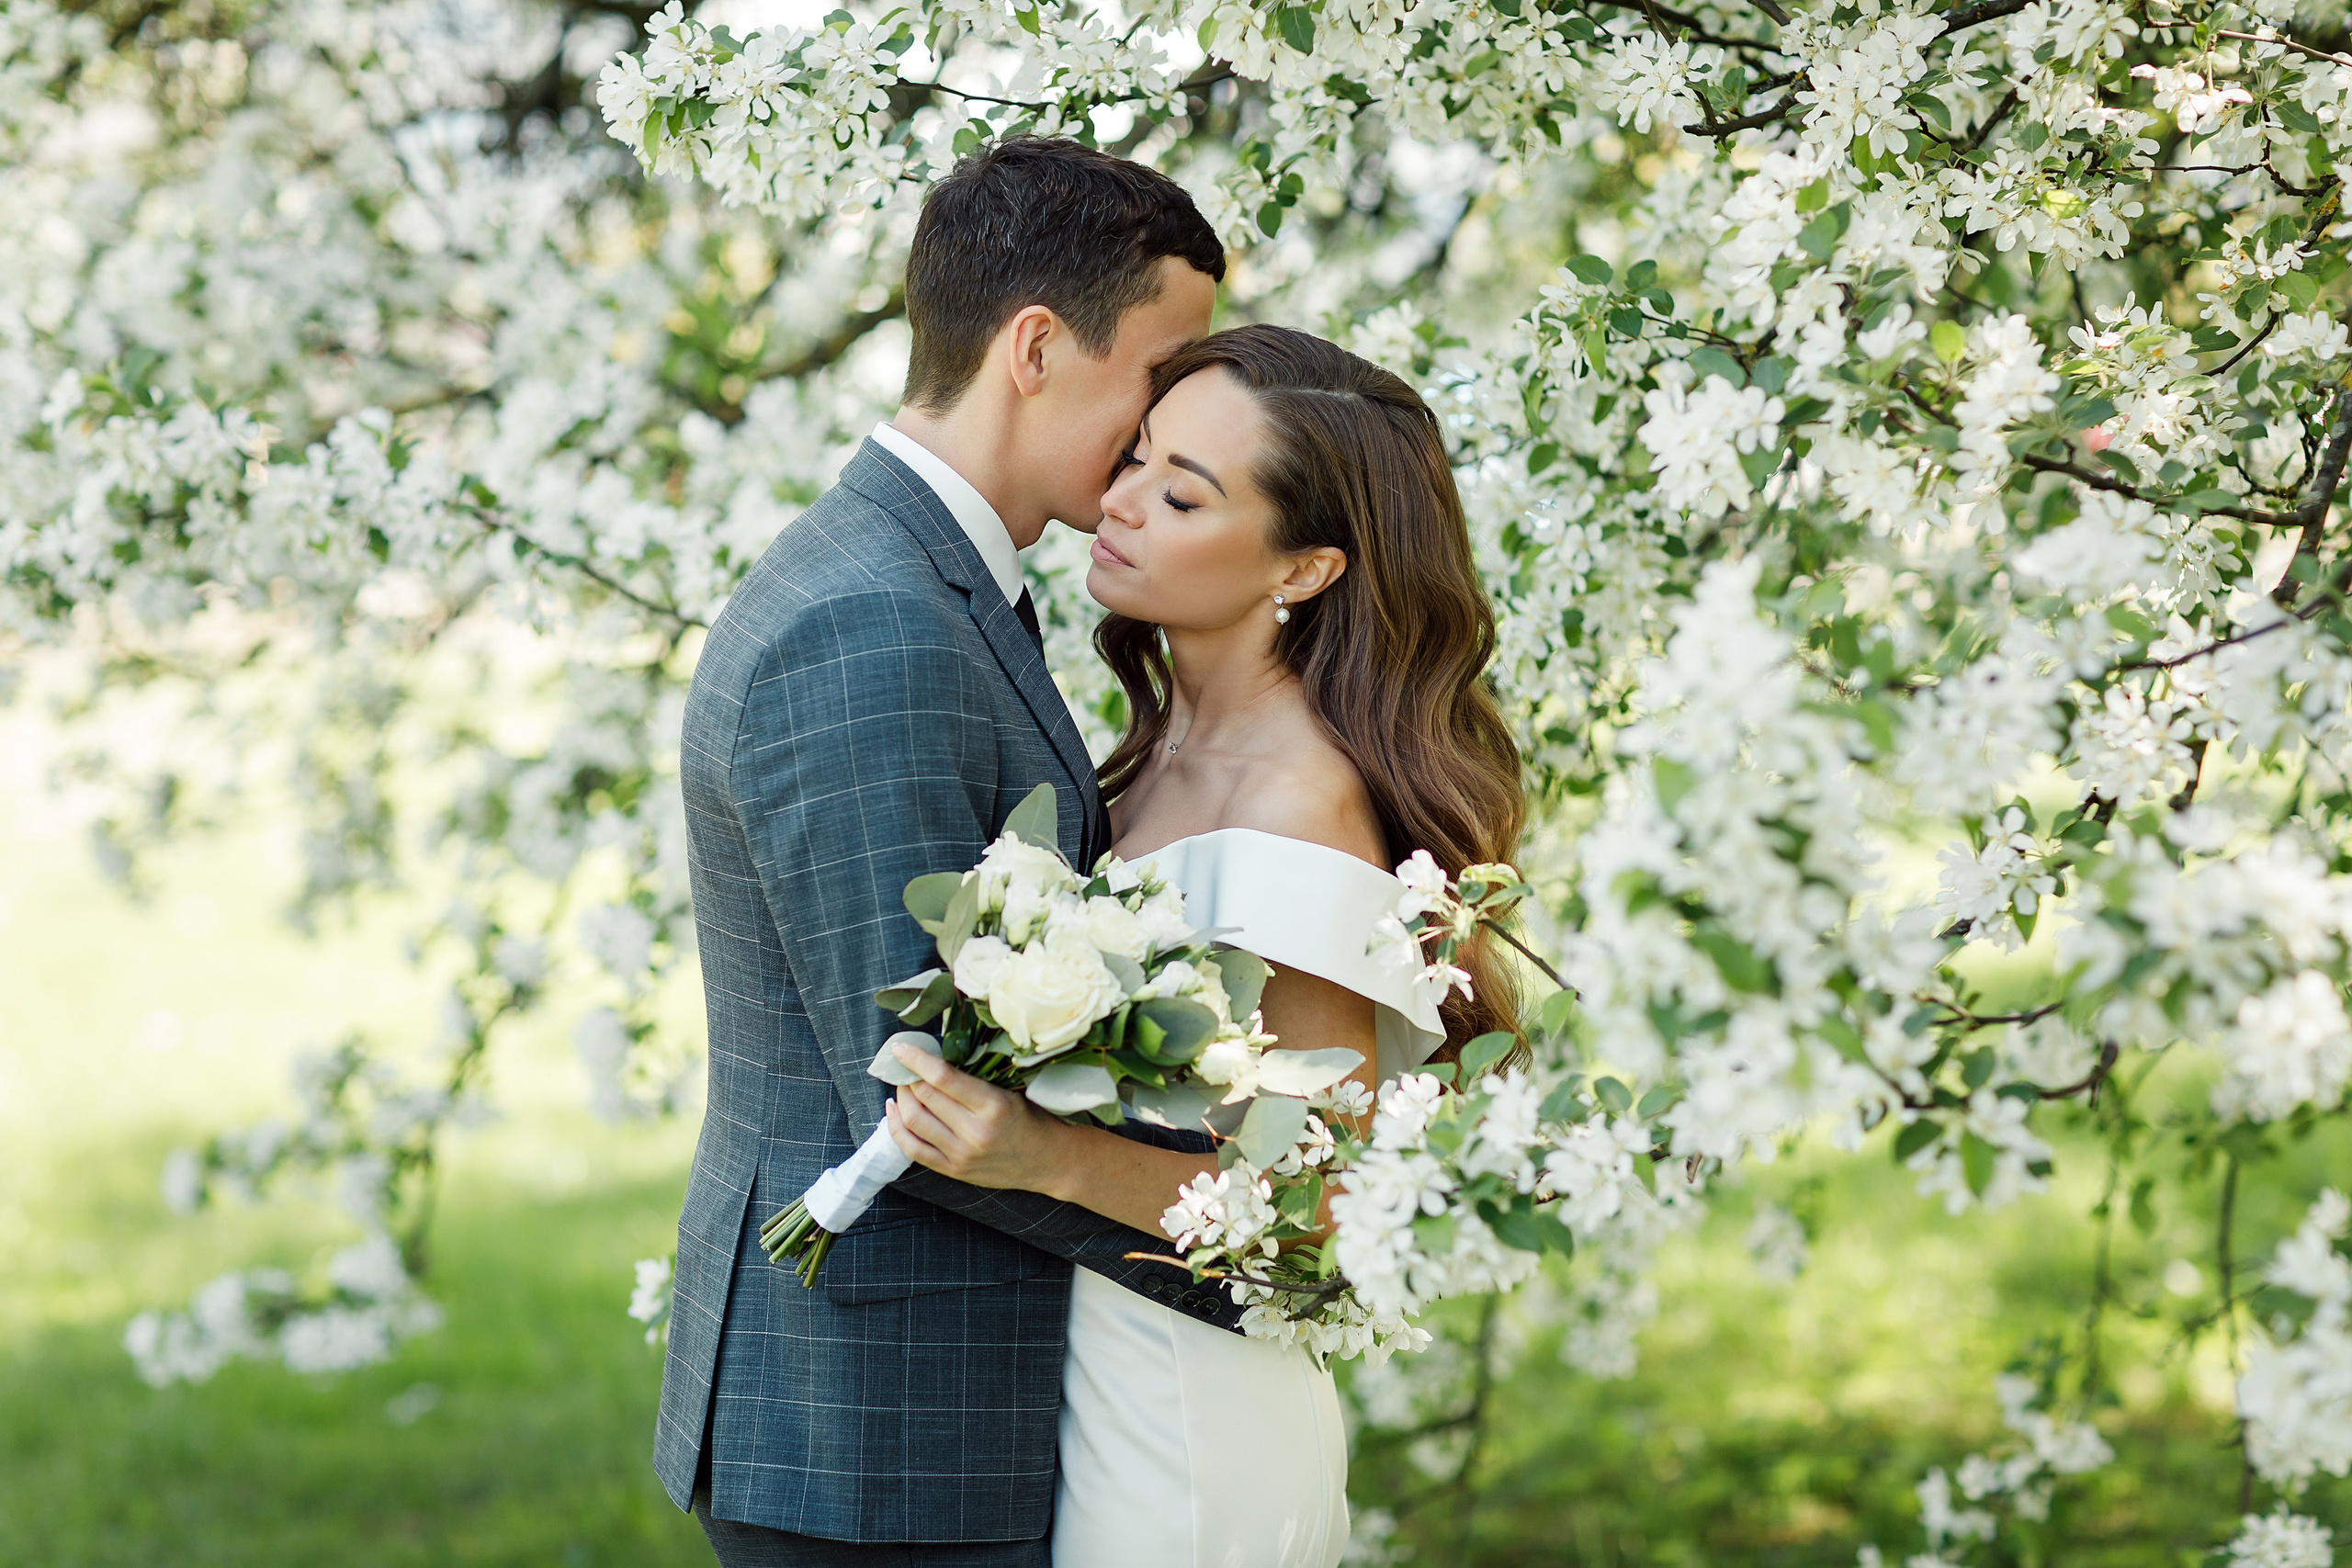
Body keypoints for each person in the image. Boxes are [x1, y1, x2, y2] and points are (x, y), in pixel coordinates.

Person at [658, 136, 1227, 1564]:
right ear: (1035, 348)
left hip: (896, 1415)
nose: (1165, 428)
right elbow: (920, 1090)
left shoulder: (920, 576)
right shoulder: (875, 623)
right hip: (879, 1433)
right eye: (1158, 377)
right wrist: (1247, 1240)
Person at [880, 324, 1527, 1568]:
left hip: (1188, 1423)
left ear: (1307, 567)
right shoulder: (1149, 758)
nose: (1120, 502)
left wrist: (1043, 1155)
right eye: (1134, 459)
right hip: (1084, 1366)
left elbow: (1328, 1206)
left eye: (1181, 496)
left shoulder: (1297, 809)